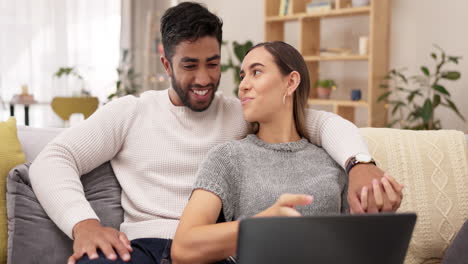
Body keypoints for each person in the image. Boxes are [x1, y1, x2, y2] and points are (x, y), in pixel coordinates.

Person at [29, 2, 402, 264]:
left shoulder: (239, 112)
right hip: (139, 249)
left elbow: (315, 122)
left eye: (213, 64)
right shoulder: (131, 112)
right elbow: (53, 159)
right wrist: (84, 224)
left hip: (213, 253)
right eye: (190, 65)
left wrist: (359, 163)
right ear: (166, 63)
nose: (204, 79)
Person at [171, 41, 403, 264]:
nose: (243, 85)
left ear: (291, 82)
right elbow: (183, 248)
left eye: (257, 72)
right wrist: (263, 225)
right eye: (243, 76)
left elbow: (358, 247)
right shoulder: (228, 157)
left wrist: (380, 210)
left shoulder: (331, 161)